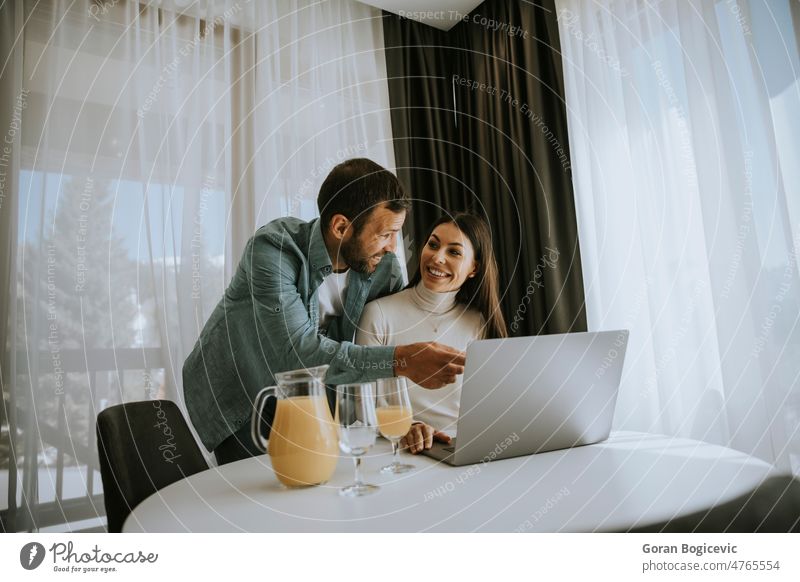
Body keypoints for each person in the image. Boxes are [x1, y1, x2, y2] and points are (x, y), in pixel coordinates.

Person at [182, 158, 467, 465]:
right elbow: (298, 356)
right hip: (246, 397)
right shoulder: (272, 251)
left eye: (396, 233)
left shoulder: (385, 270)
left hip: (318, 405)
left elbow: (379, 356)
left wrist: (409, 424)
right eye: (385, 234)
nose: (391, 247)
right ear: (341, 226)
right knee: (263, 497)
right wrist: (403, 360)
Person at [356, 212, 508, 454]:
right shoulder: (378, 314)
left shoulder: (478, 321)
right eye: (433, 244)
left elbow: (487, 407)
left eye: (454, 252)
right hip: (400, 450)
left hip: (465, 449)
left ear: (474, 268)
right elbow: (364, 404)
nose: (437, 257)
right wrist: (409, 426)